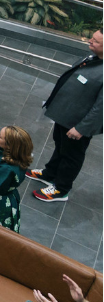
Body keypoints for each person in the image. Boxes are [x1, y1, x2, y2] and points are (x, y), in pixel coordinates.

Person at [28, 30, 102, 204]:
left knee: (72, 156)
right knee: (60, 146)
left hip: (78, 123)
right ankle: (50, 173)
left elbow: (101, 109)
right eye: (92, 37)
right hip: (65, 115)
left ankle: (61, 189)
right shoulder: (93, 58)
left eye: (96, 41)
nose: (90, 41)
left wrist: (82, 128)